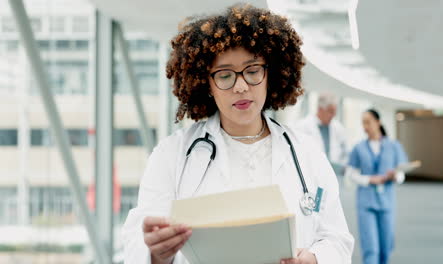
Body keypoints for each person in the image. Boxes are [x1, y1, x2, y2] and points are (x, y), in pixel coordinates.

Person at [122, 4, 353, 264]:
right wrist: (155, 254)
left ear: (271, 74)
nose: (241, 86)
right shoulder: (171, 155)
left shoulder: (306, 153)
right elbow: (137, 242)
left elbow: (338, 240)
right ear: (207, 83)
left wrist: (314, 258)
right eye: (225, 75)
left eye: (253, 71)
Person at [346, 109, 408, 264]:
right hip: (366, 203)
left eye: (368, 122)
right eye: (363, 123)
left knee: (386, 247)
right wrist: (369, 180)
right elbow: (351, 173)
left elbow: (402, 173)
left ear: (378, 122)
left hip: (386, 203)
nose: (365, 126)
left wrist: (396, 176)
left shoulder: (394, 146)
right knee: (371, 248)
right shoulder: (358, 147)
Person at [294, 93, 348, 176]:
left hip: (334, 176)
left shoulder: (338, 128)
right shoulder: (302, 127)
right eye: (331, 111)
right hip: (311, 175)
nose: (333, 115)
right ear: (320, 109)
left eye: (335, 112)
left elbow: (345, 153)